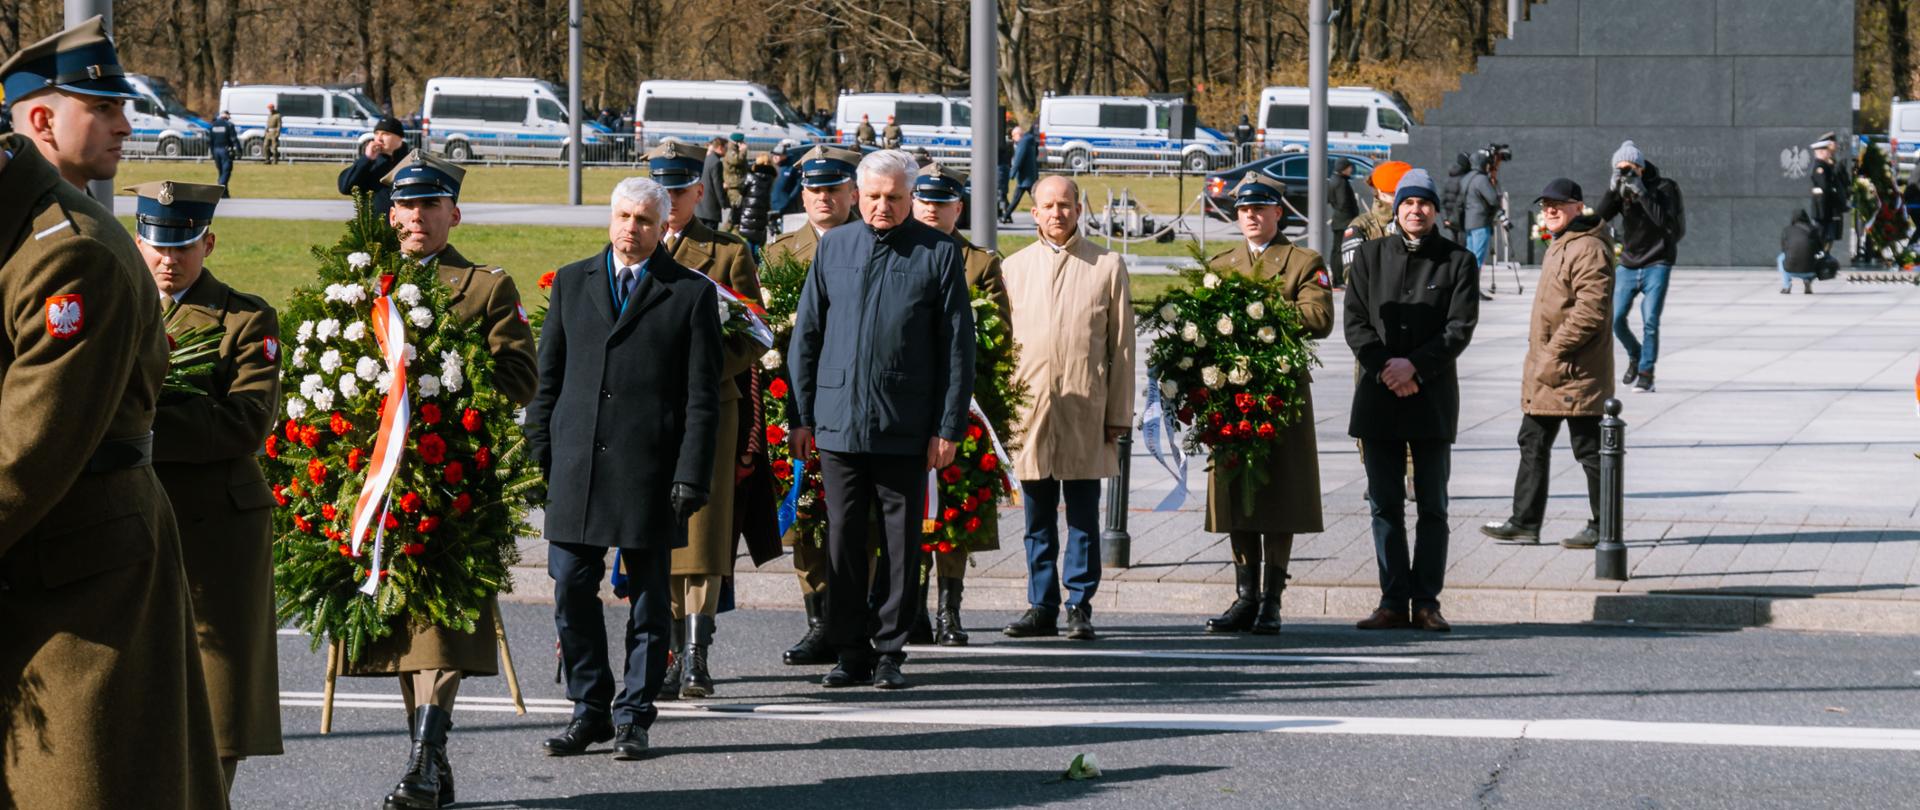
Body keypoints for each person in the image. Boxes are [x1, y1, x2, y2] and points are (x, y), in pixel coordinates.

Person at [0, 18, 228, 809]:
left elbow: (26, 456)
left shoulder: (71, 252)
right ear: (38, 120)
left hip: (76, 582)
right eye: (104, 107)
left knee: (80, 788)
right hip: (43, 563)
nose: (127, 125)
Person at [355, 151, 538, 810]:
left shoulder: (486, 287)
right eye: (406, 206)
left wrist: (441, 385)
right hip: (386, 482)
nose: (416, 219)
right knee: (404, 625)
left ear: (452, 214)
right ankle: (426, 755)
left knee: (448, 624)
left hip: (457, 476)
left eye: (430, 206)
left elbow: (520, 377)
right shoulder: (366, 285)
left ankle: (423, 759)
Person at [528, 176, 722, 761]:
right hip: (577, 467)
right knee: (571, 588)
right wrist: (543, 450)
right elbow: (549, 379)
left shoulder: (688, 293)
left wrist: (691, 473)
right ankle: (590, 708)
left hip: (650, 471)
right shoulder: (571, 281)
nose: (629, 229)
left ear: (663, 226)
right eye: (621, 217)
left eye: (642, 220)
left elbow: (701, 398)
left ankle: (634, 713)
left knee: (646, 599)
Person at [788, 149, 975, 690]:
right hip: (838, 422)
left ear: (910, 197)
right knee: (843, 539)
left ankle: (890, 648)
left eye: (894, 197)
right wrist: (801, 417)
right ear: (856, 194)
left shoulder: (938, 253)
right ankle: (849, 650)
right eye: (873, 197)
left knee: (899, 542)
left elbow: (957, 350)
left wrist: (948, 427)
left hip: (905, 423)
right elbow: (808, 339)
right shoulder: (835, 247)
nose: (882, 207)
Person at [132, 179, 284, 798]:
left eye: (185, 245)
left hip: (217, 526)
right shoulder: (121, 307)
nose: (170, 259)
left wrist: (139, 423)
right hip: (136, 517)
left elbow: (245, 421)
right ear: (138, 244)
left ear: (209, 243)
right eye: (158, 244)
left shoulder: (246, 318)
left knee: (217, 694)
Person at [644, 139, 765, 699]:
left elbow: (754, 335)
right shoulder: (631, 246)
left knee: (705, 531)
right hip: (648, 410)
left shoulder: (727, 251)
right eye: (660, 188)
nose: (669, 200)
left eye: (679, 189)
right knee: (656, 530)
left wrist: (704, 367)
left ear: (699, 190)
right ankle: (669, 649)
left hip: (710, 407)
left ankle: (697, 653)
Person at [1343, 168, 1479, 634]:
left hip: (1431, 397)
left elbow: (1459, 328)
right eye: (1407, 203)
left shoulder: (1458, 260)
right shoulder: (1369, 255)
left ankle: (1426, 602)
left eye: (1424, 203)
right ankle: (1392, 600)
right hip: (1379, 397)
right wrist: (1388, 367)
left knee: (1432, 506)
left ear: (1435, 210)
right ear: (1394, 208)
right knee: (1384, 504)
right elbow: (1356, 323)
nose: (1415, 211)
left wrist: (1415, 368)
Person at [1000, 175, 1135, 642]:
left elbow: (1121, 347)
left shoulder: (1106, 265)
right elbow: (1002, 348)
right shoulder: (1013, 268)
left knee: (1082, 515)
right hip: (1030, 412)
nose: (1056, 213)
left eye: (1065, 205)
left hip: (1086, 410)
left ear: (1079, 210)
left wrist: (1118, 413)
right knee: (1036, 518)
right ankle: (1041, 604)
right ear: (1033, 212)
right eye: (1047, 205)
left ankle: (1079, 603)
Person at [1202, 175, 1332, 635]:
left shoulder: (1303, 261)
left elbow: (1319, 316)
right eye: (1243, 210)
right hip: (1231, 396)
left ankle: (1272, 599)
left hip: (1279, 395)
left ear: (1280, 212)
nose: (1252, 216)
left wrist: (1259, 311)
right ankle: (1245, 596)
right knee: (1237, 494)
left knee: (1280, 495)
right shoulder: (1222, 262)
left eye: (1261, 208)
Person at [762, 144, 862, 667]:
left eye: (834, 189)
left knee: (854, 519)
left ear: (854, 193)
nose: (824, 198)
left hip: (852, 402)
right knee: (803, 515)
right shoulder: (780, 255)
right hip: (795, 403)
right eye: (815, 190)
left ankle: (855, 620)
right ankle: (817, 621)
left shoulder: (871, 243)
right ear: (803, 195)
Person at [1480, 179, 1614, 550]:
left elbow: (1591, 311)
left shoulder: (1586, 247)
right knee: (1532, 440)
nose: (1550, 210)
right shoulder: (1563, 244)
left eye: (1559, 204)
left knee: (1588, 449)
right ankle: (1524, 522)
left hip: (1574, 370)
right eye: (1546, 205)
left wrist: (1554, 352)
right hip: (1551, 370)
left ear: (1578, 207)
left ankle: (1604, 526)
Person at [909, 162, 1012, 645]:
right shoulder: (898, 251)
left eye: (941, 200)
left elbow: (1001, 339)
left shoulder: (979, 263)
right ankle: (913, 610)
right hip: (905, 405)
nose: (931, 207)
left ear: (958, 208)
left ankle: (950, 611)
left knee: (955, 513)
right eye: (923, 198)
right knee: (909, 511)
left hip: (963, 410)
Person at [1595, 139, 1684, 394]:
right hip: (1629, 262)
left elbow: (1670, 226)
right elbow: (1600, 218)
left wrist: (1642, 192)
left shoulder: (1666, 188)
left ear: (1642, 167)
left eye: (1631, 167)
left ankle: (1646, 373)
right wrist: (1613, 191)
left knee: (1650, 320)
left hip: (1659, 261)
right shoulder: (1622, 190)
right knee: (1615, 318)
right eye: (1621, 169)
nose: (1627, 173)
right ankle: (1635, 354)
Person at [1340, 159, 1410, 272]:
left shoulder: (1416, 221)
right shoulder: (1361, 227)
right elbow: (1354, 277)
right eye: (1395, 191)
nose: (1403, 196)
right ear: (1380, 191)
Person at [338, 115, 412, 216]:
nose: (379, 138)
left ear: (400, 138)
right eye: (376, 133)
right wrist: (366, 159)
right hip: (374, 227)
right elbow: (345, 187)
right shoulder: (369, 164)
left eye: (385, 134)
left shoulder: (410, 162)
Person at [1461, 148, 1500, 299]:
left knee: (1470, 256)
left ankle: (1468, 288)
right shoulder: (1481, 179)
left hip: (1468, 222)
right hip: (1480, 221)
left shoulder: (1466, 178)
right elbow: (1493, 199)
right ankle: (1473, 290)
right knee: (1477, 258)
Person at [1809, 132, 1848, 247]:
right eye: (1827, 151)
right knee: (1822, 238)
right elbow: (1825, 187)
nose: (1830, 153)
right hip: (1822, 211)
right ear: (1820, 152)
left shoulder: (1828, 166)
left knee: (1829, 238)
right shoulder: (1820, 167)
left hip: (1829, 210)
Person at [734, 153, 779, 248]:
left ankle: (749, 261)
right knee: (759, 239)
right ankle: (757, 261)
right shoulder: (771, 178)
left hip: (749, 212)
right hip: (762, 213)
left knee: (749, 239)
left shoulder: (750, 176)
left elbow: (742, 190)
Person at [1327, 157, 1361, 283]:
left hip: (1338, 220)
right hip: (1344, 221)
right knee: (1340, 250)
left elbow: (1331, 199)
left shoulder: (1334, 180)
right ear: (1343, 168)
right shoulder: (1341, 182)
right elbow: (1343, 202)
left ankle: (1337, 278)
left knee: (1336, 249)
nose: (1351, 169)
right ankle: (1338, 278)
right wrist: (1352, 216)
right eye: (1349, 167)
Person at [1779, 208, 1824, 294]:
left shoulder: (1787, 230)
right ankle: (1808, 280)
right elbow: (1820, 249)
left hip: (1790, 270)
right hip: (1811, 271)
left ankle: (1786, 286)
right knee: (1814, 257)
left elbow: (1783, 249)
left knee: (1781, 257)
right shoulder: (1813, 229)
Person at [1003, 125, 1040, 224]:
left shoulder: (1023, 142)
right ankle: (1006, 216)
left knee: (1018, 198)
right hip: (1031, 175)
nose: (1013, 139)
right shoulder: (1030, 141)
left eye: (1013, 136)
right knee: (1030, 198)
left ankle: (1005, 216)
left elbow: (1019, 159)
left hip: (1025, 177)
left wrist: (1012, 173)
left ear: (1018, 135)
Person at [698, 137, 729, 229]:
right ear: (720, 147)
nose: (727, 151)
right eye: (726, 148)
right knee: (709, 238)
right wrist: (723, 203)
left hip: (700, 206)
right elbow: (717, 186)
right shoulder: (716, 163)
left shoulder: (706, 159)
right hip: (710, 208)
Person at [1441, 151, 1471, 242]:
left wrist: (1445, 218)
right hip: (1461, 219)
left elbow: (1442, 201)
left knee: (1454, 244)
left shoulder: (1449, 179)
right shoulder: (1465, 180)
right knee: (1463, 246)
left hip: (1451, 219)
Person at [210, 110, 239, 195]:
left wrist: (212, 153)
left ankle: (225, 194)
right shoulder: (229, 125)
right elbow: (234, 139)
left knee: (221, 172)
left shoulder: (213, 125)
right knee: (226, 171)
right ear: (227, 116)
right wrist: (239, 151)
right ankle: (219, 188)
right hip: (225, 151)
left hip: (216, 151)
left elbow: (210, 141)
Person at [723, 133, 749, 203]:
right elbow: (736, 161)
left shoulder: (736, 150)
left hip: (738, 184)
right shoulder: (731, 150)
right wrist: (743, 150)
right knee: (736, 207)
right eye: (742, 142)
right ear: (737, 142)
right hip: (733, 186)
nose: (744, 143)